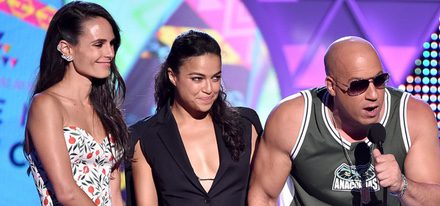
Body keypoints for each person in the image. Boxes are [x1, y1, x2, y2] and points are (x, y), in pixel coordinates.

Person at [248, 36, 440, 205]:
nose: (373, 95)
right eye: (358, 85)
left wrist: (401, 184)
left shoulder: (413, 116)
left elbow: (436, 199)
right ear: (331, 86)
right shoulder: (291, 119)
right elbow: (263, 196)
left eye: (379, 81)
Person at [126, 30, 262, 206]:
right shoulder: (145, 137)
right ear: (173, 76)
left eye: (215, 78)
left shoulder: (245, 124)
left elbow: (263, 196)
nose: (209, 88)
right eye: (197, 79)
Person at [23, 1, 128, 205]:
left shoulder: (107, 112)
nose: (110, 53)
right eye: (99, 44)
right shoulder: (46, 105)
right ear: (66, 49)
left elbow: (115, 195)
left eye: (112, 43)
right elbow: (66, 192)